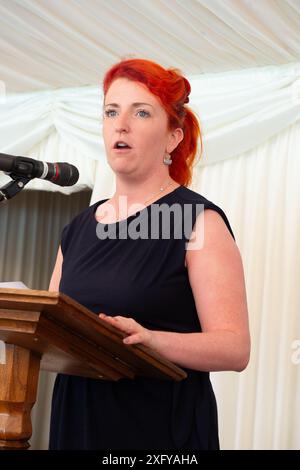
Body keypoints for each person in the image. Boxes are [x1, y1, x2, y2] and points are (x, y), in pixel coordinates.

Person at [48, 58, 250, 450]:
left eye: (141, 112)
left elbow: (235, 347)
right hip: (77, 421)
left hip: (157, 429)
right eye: (111, 112)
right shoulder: (76, 229)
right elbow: (54, 326)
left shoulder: (198, 222)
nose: (120, 124)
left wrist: (153, 340)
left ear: (173, 137)